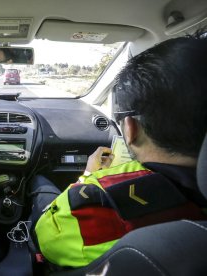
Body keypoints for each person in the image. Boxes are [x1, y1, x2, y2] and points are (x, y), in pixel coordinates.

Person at [31, 29, 207, 268]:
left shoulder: (97, 198)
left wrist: (88, 177)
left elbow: (47, 240)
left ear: (130, 128)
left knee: (40, 184)